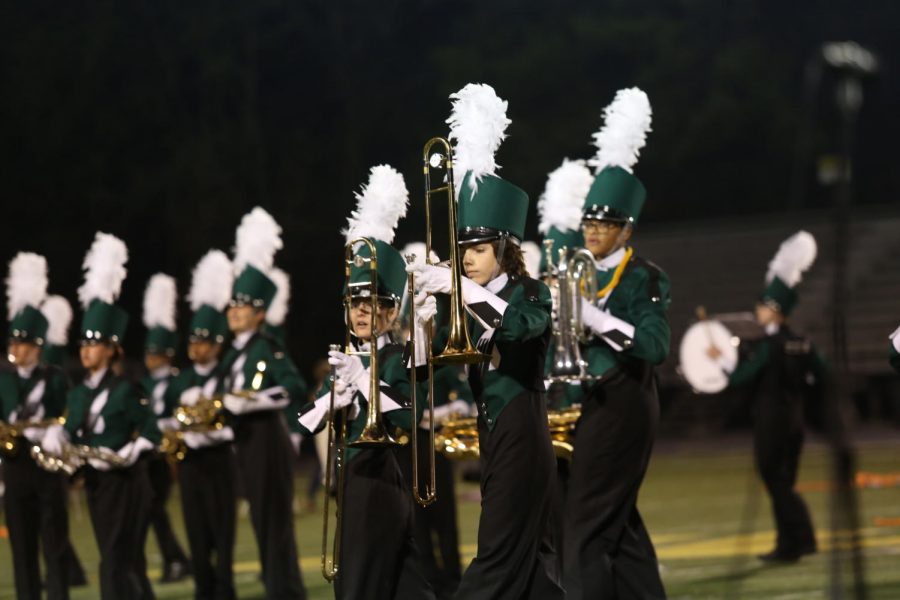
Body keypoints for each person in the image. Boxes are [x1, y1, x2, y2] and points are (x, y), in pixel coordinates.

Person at [408, 83, 564, 599]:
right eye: (462, 249)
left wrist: (460, 292)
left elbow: (519, 330)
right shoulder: (466, 304)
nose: (467, 257)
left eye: (478, 247)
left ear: (503, 246)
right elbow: (421, 370)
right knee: (532, 569)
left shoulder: (531, 292)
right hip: (493, 438)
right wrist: (418, 321)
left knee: (495, 558)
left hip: (525, 434)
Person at [297, 164, 435, 600]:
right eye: (354, 302)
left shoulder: (399, 356)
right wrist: (336, 395)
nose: (360, 312)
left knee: (359, 588)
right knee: (404, 587)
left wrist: (367, 381)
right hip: (351, 480)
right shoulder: (344, 358)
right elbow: (307, 421)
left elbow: (410, 415)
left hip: (380, 482)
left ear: (392, 312)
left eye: (372, 303)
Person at [562, 88, 669, 599]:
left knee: (582, 530)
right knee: (618, 526)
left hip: (626, 400)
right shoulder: (575, 272)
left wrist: (598, 321)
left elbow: (654, 345)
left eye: (605, 224)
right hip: (593, 401)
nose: (594, 231)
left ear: (627, 228)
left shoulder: (642, 278)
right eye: (589, 222)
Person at [42, 232, 161, 599]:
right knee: (120, 561)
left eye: (95, 344)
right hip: (97, 483)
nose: (87, 350)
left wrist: (132, 450)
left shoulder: (126, 388)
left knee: (116, 560)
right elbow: (75, 429)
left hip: (127, 483)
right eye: (84, 343)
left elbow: (152, 429)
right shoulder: (77, 394)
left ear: (113, 349)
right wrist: (59, 435)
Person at [708, 231, 822, 562]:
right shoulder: (802, 341)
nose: (757, 310)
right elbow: (821, 375)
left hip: (772, 421)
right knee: (786, 481)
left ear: (773, 309)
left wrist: (720, 364)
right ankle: (800, 540)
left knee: (776, 481)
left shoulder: (768, 345)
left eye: (762, 305)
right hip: (796, 419)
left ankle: (794, 542)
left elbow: (743, 377)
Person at [219, 207, 307, 599]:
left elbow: (293, 387)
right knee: (259, 518)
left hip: (268, 439)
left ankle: (285, 590)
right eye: (232, 306)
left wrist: (254, 401)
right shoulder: (230, 354)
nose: (233, 312)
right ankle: (278, 586)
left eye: (242, 307)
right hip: (243, 441)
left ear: (258, 313)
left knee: (274, 520)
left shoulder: (267, 347)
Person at [164, 249, 238, 599]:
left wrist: (216, 430)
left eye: (203, 341)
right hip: (190, 464)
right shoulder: (181, 380)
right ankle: (203, 589)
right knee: (195, 528)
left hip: (221, 460)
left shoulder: (226, 375)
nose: (196, 347)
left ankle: (225, 588)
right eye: (193, 340)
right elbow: (165, 417)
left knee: (223, 529)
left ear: (217, 343)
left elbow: (236, 418)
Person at [1, 253, 72, 600]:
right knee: (22, 548)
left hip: (47, 467)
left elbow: (69, 416)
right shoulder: (3, 380)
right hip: (15, 469)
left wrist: (55, 430)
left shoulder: (55, 378)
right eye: (13, 341)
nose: (16, 349)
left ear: (38, 346)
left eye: (23, 343)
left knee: (55, 544)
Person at [139, 273, 191, 584]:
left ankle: (178, 559)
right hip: (148, 453)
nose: (150, 359)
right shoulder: (143, 384)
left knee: (155, 508)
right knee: (151, 510)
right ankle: (176, 559)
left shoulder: (177, 380)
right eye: (148, 353)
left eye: (155, 354)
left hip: (167, 455)